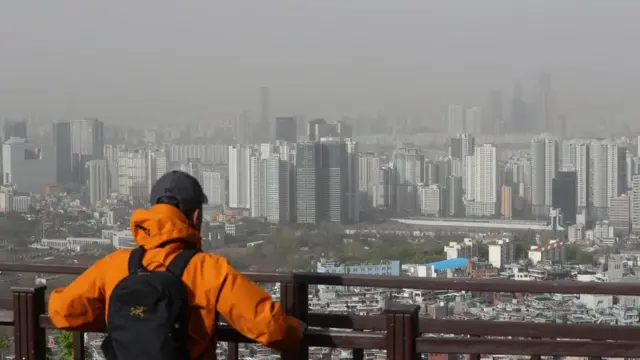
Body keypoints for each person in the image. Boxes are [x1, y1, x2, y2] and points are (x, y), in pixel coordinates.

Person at [49, 170, 304, 359]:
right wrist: (298, 330)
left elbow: (62, 311)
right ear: (196, 216)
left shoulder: (115, 264)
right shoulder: (210, 269)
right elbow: (269, 326)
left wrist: (119, 318)